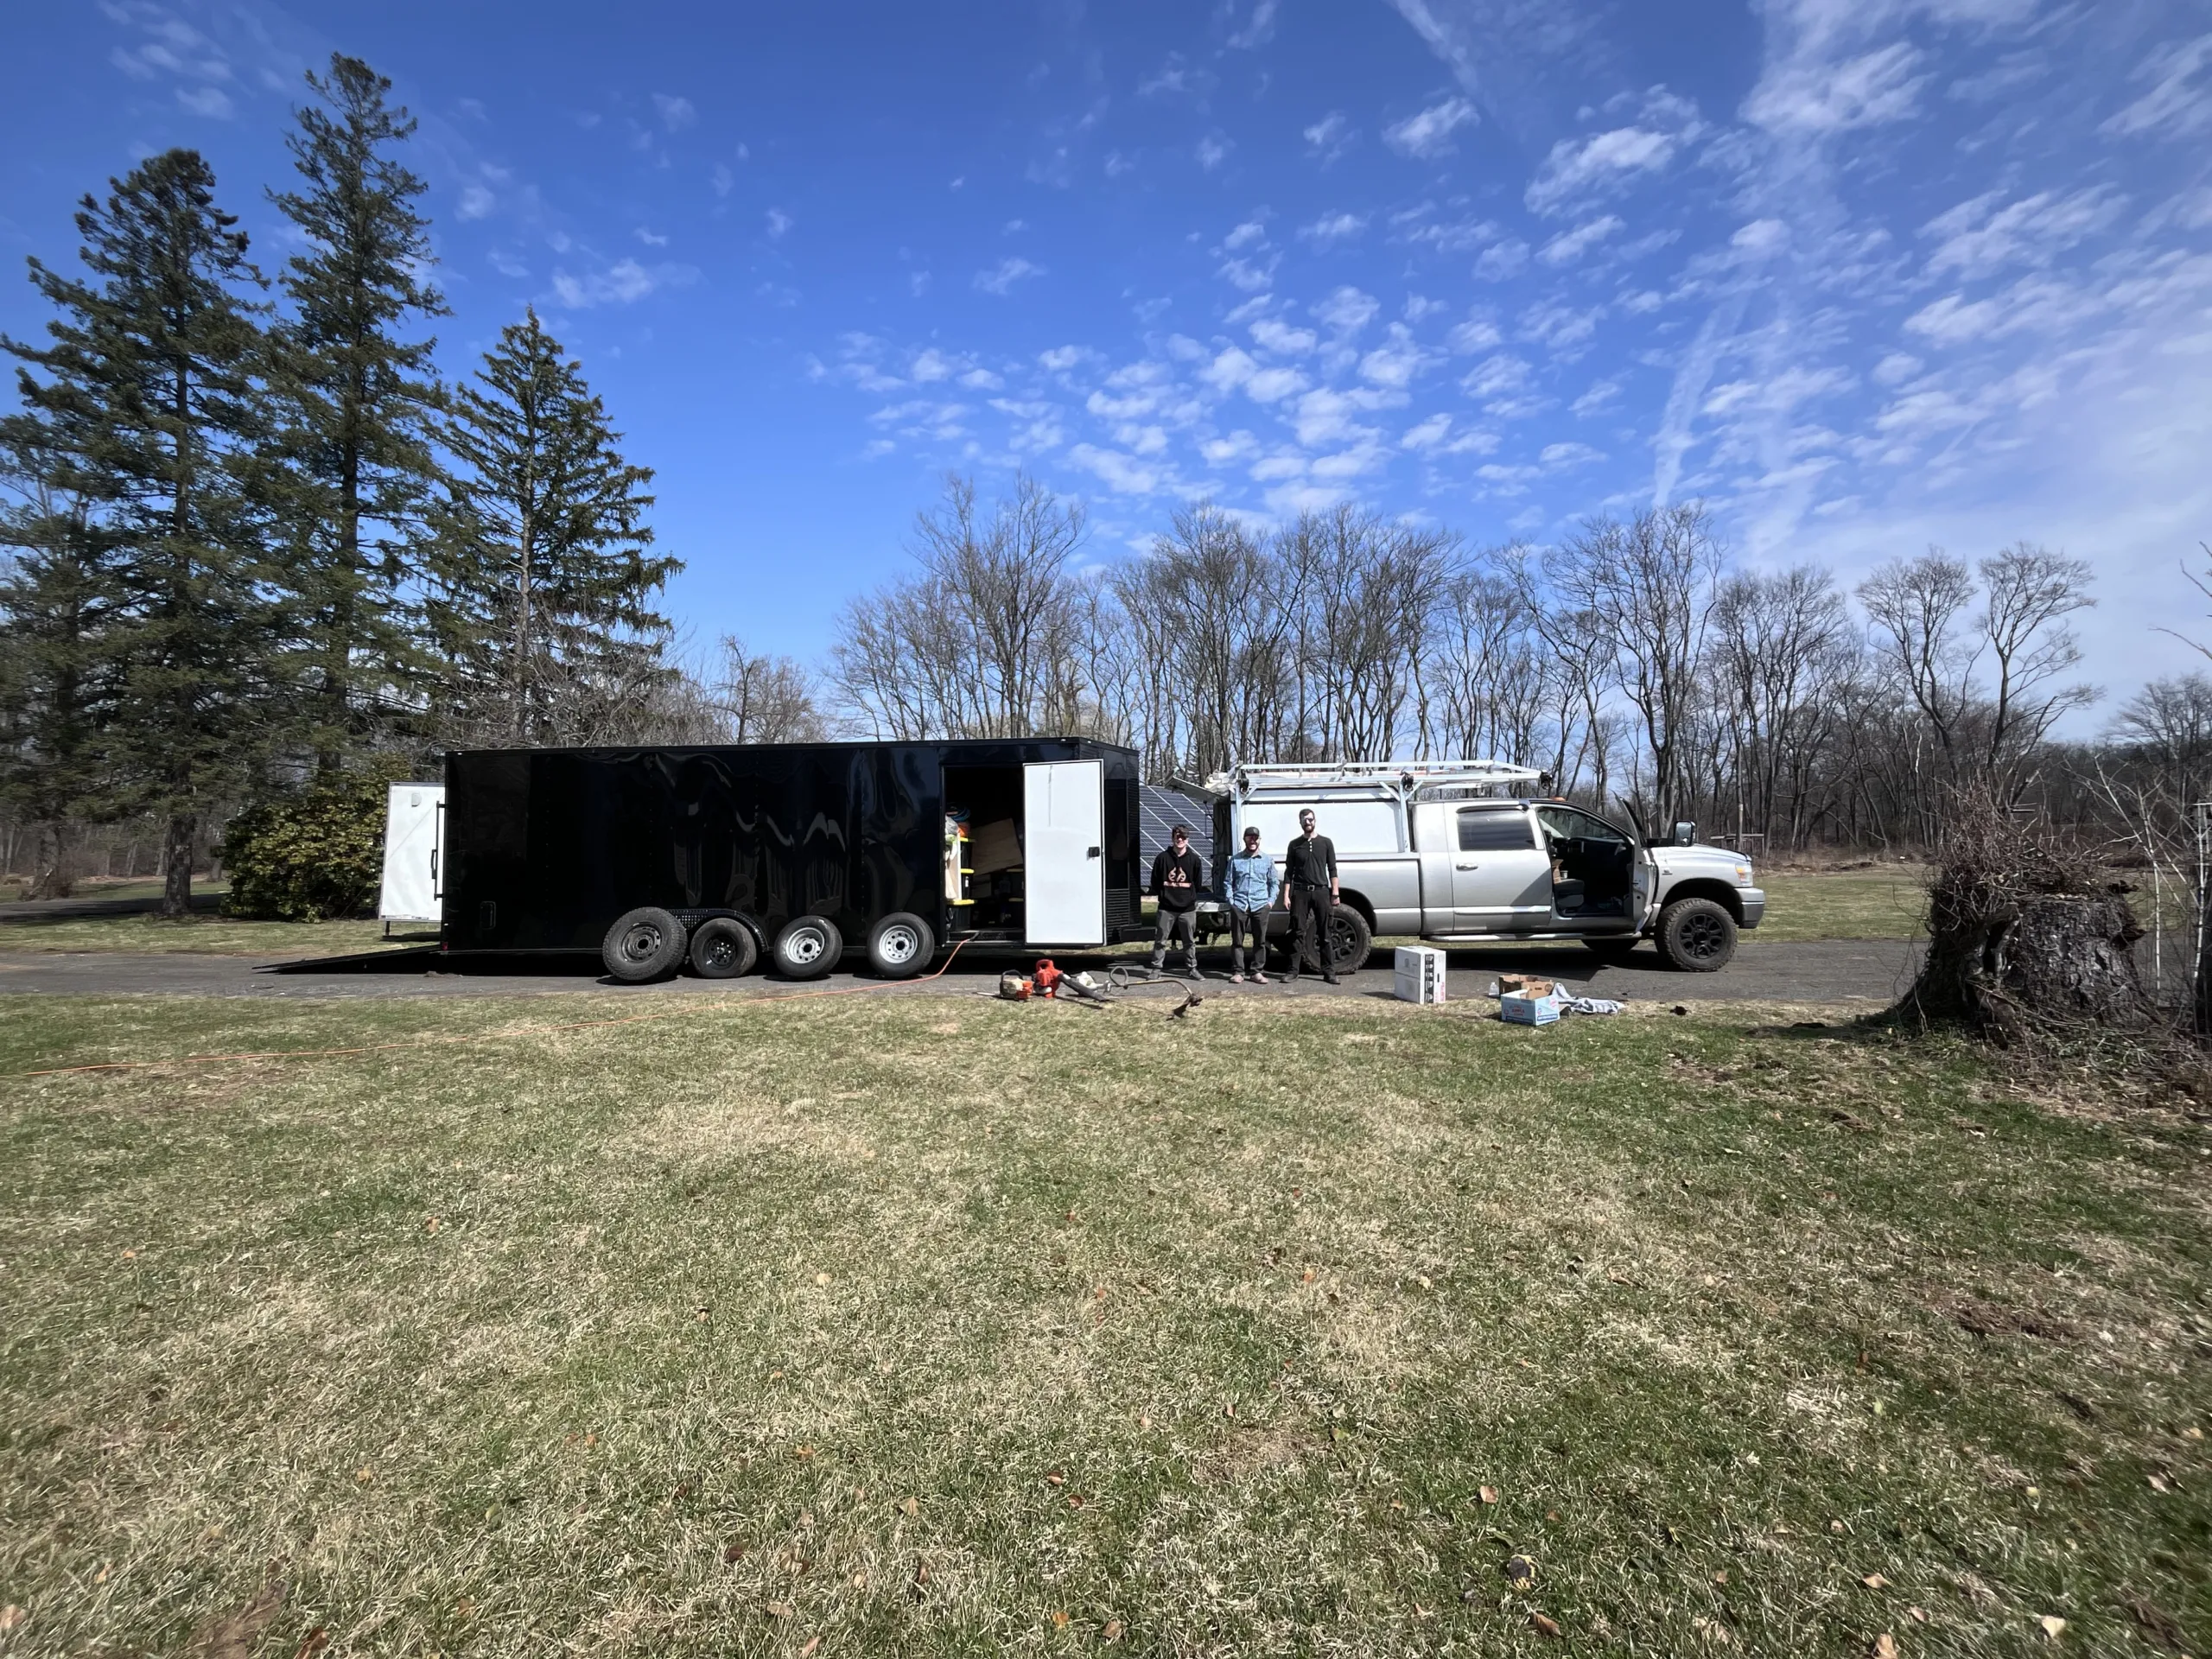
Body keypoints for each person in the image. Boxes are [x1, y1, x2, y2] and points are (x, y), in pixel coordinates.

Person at [1281, 807, 1340, 984]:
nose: (1308, 823)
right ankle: (1293, 971)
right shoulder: (1294, 844)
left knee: (1325, 933)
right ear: (1300, 822)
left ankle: (1329, 972)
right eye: (1305, 820)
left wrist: (1335, 892)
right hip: (1300, 892)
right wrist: (1286, 895)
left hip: (1322, 891)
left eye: (1311, 819)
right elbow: (1288, 872)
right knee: (1296, 932)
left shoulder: (1326, 843)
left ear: (1315, 821)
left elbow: (1332, 869)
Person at [1222, 823, 1280, 983]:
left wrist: (1270, 902)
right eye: (1249, 837)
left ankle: (1257, 972)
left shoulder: (1267, 860)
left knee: (1260, 941)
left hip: (1260, 905)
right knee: (1237, 941)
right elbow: (1228, 882)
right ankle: (1238, 972)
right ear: (1245, 840)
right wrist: (1231, 901)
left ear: (1259, 840)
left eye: (1255, 837)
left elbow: (1274, 883)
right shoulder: (1235, 860)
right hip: (1240, 905)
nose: (1252, 840)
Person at [1149, 823, 1205, 978]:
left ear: (1187, 839)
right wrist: (1164, 895)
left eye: (1183, 837)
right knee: (1160, 940)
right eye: (1177, 836)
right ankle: (1156, 969)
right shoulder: (1162, 858)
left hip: (1187, 909)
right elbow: (1155, 882)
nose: (1180, 839)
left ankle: (1192, 969)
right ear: (1172, 838)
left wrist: (1188, 899)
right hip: (1166, 907)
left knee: (1189, 942)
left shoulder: (1195, 860)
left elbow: (1197, 884)